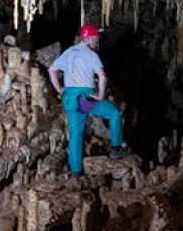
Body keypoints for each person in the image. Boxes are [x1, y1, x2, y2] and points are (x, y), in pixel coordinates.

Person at [47, 24, 125, 175]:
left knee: (76, 133)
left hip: (70, 98)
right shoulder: (91, 55)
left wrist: (59, 89)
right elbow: (102, 77)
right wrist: (101, 95)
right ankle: (116, 148)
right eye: (95, 40)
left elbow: (51, 70)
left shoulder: (68, 52)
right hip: (86, 97)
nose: (97, 43)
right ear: (87, 39)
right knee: (114, 113)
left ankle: (76, 171)